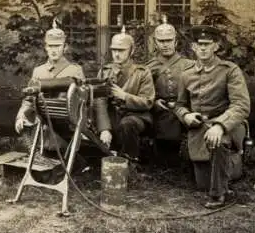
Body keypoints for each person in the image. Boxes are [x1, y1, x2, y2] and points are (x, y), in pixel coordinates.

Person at [175, 25, 250, 209]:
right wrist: (186, 116)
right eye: (198, 44)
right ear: (193, 47)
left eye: (207, 44)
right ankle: (223, 175)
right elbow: (179, 105)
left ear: (216, 46)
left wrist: (220, 125)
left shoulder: (229, 70)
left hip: (229, 125)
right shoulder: (186, 75)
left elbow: (241, 105)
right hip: (200, 127)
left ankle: (219, 194)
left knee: (220, 142)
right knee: (202, 183)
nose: (202, 48)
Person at [15, 19, 84, 150]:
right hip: (44, 121)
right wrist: (21, 115)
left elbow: (81, 102)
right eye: (50, 46)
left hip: (67, 123)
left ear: (65, 47)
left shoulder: (75, 70)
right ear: (46, 47)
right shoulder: (38, 71)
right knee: (30, 125)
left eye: (57, 46)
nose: (54, 50)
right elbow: (29, 99)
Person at [95, 26, 155, 167]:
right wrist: (104, 128)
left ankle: (131, 162)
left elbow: (147, 102)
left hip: (136, 116)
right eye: (114, 50)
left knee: (127, 124)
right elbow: (98, 101)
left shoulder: (142, 72)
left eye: (121, 50)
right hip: (112, 117)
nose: (116, 54)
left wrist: (124, 96)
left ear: (132, 51)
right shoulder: (105, 72)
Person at [146, 15, 194, 168]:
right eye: (161, 41)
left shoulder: (189, 65)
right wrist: (154, 102)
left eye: (168, 41)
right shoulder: (150, 66)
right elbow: (143, 91)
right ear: (155, 42)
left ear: (176, 42)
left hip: (184, 107)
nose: (165, 45)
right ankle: (165, 162)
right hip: (160, 109)